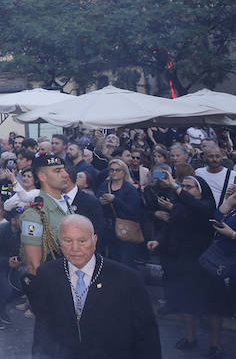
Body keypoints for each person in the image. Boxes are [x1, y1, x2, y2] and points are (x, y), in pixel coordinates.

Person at [22, 214, 160, 358]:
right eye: (68, 240)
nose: (75, 248)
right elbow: (43, 328)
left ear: (94, 240)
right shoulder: (47, 274)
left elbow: (147, 336)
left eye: (82, 241)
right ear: (60, 242)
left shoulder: (127, 279)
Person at [148, 173, 227, 356]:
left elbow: (199, 209)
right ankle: (190, 338)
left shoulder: (206, 206)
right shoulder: (180, 207)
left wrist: (175, 186)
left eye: (190, 186)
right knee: (185, 302)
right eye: (184, 186)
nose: (184, 189)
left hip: (204, 264)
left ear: (201, 191)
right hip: (183, 262)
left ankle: (216, 344)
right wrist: (159, 241)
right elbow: (169, 228)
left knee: (214, 306)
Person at [98, 158, 142, 267]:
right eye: (112, 170)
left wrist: (115, 200)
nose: (114, 173)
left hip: (124, 229)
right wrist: (100, 202)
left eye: (118, 170)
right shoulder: (103, 186)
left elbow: (133, 211)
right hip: (107, 228)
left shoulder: (130, 189)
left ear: (124, 172)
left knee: (124, 262)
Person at [0, 209, 23, 326]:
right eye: (22, 219)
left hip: (12, 267)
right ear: (13, 220)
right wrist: (6, 261)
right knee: (6, 290)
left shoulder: (21, 232)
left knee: (21, 287)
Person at [196, 143, 232, 208]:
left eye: (217, 156)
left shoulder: (232, 174)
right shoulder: (199, 173)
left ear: (221, 157)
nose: (214, 159)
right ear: (204, 158)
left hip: (225, 213)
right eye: (211, 156)